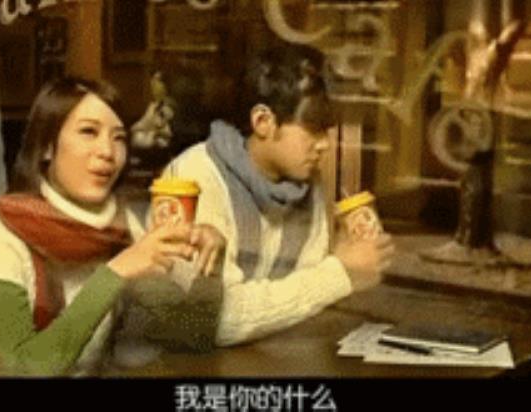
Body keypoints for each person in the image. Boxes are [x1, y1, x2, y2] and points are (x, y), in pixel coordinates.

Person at [0, 77, 222, 377]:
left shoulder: (120, 225)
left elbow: (192, 337)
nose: (107, 151)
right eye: (88, 132)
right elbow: (24, 368)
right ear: (47, 147)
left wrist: (208, 262)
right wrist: (115, 274)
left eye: (119, 137)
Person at [144, 44, 395, 347]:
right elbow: (210, 321)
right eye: (313, 129)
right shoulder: (193, 177)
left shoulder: (308, 182)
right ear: (263, 121)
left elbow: (305, 301)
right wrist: (339, 273)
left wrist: (353, 263)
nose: (325, 145)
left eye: (327, 131)